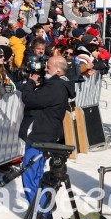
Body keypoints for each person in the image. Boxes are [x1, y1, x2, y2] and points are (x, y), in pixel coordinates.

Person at [17, 56, 75, 207]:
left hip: (40, 136)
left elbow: (30, 99)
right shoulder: (56, 85)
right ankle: (43, 208)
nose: (44, 69)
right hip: (43, 135)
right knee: (36, 174)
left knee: (30, 175)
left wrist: (30, 83)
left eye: (48, 66)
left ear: (58, 70)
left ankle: (40, 212)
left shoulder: (55, 87)